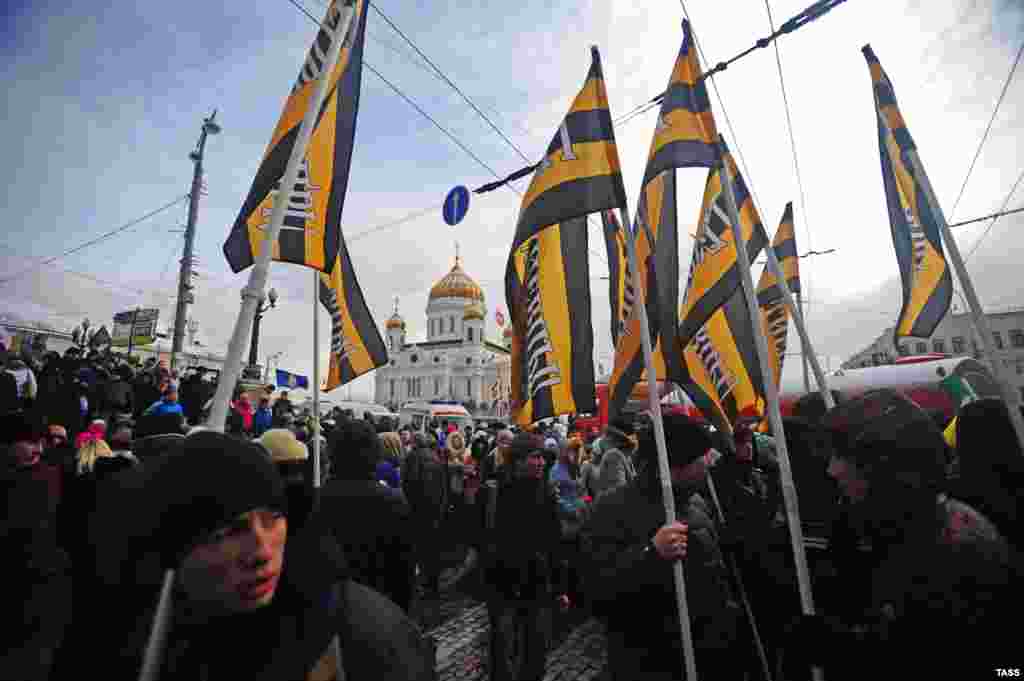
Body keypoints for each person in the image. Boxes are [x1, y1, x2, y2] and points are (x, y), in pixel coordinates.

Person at [52, 430, 434, 680]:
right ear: (174, 543)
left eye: (273, 519)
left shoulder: (359, 637)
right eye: (230, 531)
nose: (261, 552)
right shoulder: (124, 635)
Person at [784, 389, 1018, 679]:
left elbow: (936, 658)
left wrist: (839, 649)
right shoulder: (918, 528)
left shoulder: (947, 549)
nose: (833, 470)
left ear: (883, 465)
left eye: (843, 457)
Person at [582, 414, 741, 681]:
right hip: (650, 661)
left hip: (706, 652)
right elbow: (596, 590)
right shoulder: (613, 507)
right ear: (675, 466)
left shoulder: (696, 501)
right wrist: (650, 555)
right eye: (701, 455)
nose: (709, 460)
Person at [481, 433, 566, 681]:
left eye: (542, 458)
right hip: (501, 581)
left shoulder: (546, 492)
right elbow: (477, 535)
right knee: (502, 648)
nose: (541, 463)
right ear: (517, 460)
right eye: (535, 457)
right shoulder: (493, 490)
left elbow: (554, 542)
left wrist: (559, 587)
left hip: (535, 581)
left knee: (535, 647)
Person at [315, 421, 416, 612]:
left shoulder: (316, 500)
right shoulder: (393, 502)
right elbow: (404, 574)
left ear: (332, 454)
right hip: (380, 609)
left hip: (328, 614)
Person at [1, 412, 71, 680]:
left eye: (41, 442)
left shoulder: (49, 474)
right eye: (30, 442)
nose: (38, 449)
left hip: (33, 582)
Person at [402, 432, 448, 597]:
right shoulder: (436, 458)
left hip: (418, 512)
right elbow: (443, 488)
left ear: (414, 443)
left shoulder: (412, 458)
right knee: (432, 550)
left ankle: (418, 584)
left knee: (417, 550)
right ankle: (433, 584)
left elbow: (408, 485)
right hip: (435, 512)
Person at [592, 418, 638, 500]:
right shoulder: (626, 457)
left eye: (605, 435)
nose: (602, 439)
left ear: (611, 438)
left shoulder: (613, 455)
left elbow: (618, 492)